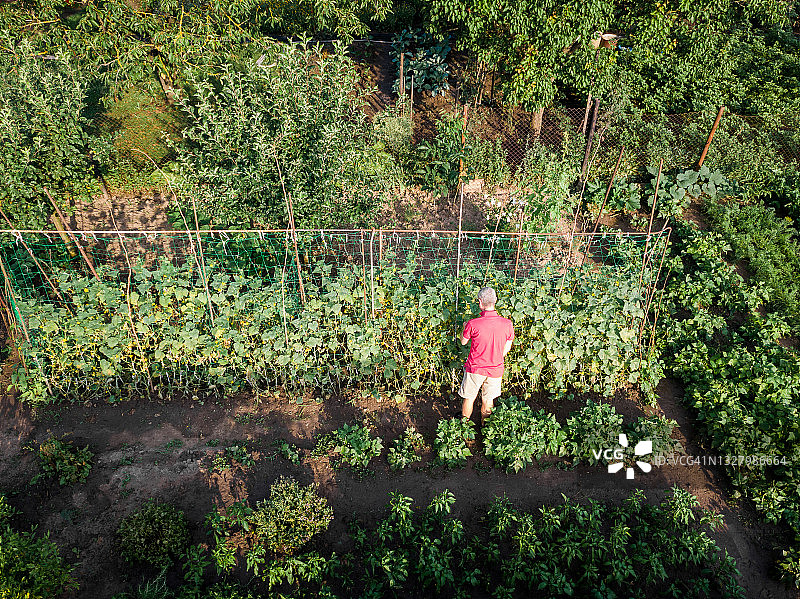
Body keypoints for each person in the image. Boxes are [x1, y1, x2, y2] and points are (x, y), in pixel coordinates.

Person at [458, 287, 514, 424]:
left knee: (469, 397)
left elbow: (463, 342)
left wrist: (464, 327)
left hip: (475, 368)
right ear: (495, 301)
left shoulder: (473, 323)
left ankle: (464, 426)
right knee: (488, 400)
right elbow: (507, 346)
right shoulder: (507, 324)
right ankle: (485, 427)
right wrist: (496, 357)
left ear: (480, 302)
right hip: (495, 368)